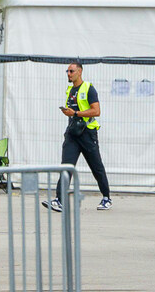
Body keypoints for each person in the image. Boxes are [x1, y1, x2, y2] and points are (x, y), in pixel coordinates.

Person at [43, 62, 112, 211]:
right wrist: (69, 112)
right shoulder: (70, 89)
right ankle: (59, 200)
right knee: (66, 166)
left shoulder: (89, 88)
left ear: (79, 72)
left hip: (87, 134)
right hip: (72, 134)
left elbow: (96, 111)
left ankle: (106, 197)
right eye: (67, 71)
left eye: (71, 71)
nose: (68, 73)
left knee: (97, 167)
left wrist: (75, 113)